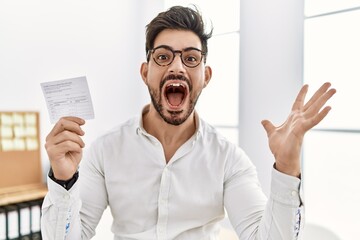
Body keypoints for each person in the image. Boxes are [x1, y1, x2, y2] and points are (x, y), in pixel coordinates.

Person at [40, 5, 336, 240]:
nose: (177, 67)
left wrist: (287, 167)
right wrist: (63, 179)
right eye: (164, 56)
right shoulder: (106, 150)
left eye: (191, 59)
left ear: (205, 76)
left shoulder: (228, 160)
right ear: (145, 72)